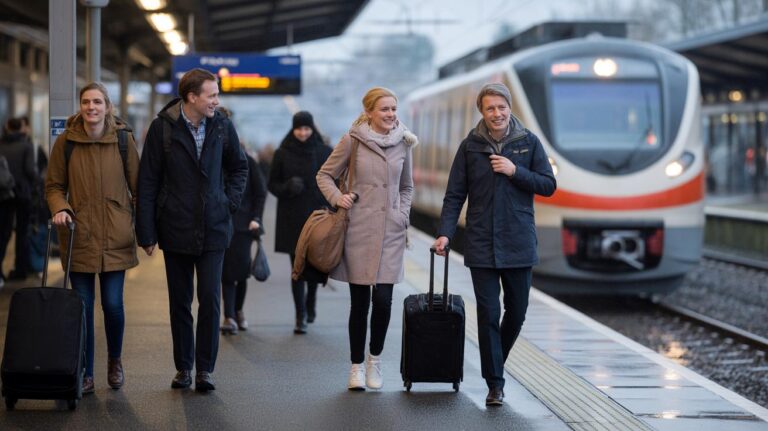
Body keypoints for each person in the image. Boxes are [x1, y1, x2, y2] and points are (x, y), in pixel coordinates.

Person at [432, 83, 556, 406]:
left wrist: (515, 171)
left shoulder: (528, 143)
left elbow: (548, 185)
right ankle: (495, 384)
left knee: (517, 312)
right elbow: (455, 194)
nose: (497, 113)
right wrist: (445, 232)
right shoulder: (470, 147)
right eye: (490, 108)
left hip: (518, 242)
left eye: (502, 107)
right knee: (489, 313)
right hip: (481, 243)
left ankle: (495, 362)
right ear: (482, 112)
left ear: (509, 108)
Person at [136, 68, 248, 392]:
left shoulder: (223, 126)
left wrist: (228, 202)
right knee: (180, 302)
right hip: (175, 226)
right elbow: (148, 181)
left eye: (217, 95)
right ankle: (184, 367)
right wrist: (147, 233)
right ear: (192, 97)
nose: (217, 101)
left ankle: (205, 370)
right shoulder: (162, 129)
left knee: (211, 299)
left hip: (214, 226)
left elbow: (239, 166)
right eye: (211, 95)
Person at [316, 87, 417, 391]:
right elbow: (324, 175)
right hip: (359, 228)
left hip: (391, 231)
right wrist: (339, 198)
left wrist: (402, 214)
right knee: (359, 303)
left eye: (394, 109)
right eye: (384, 109)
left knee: (384, 300)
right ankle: (356, 366)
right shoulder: (353, 141)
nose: (391, 115)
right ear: (370, 112)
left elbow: (407, 187)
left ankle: (375, 359)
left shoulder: (404, 143)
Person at [45, 82, 140, 394]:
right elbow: (54, 185)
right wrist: (61, 208)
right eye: (86, 102)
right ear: (80, 106)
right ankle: (85, 371)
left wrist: (147, 231)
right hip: (79, 234)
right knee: (83, 307)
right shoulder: (66, 142)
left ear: (107, 106)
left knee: (113, 304)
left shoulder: (123, 140)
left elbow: (140, 188)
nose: (91, 107)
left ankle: (115, 360)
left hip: (116, 233)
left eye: (97, 102)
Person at [268, 111, 332, 334]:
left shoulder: (325, 152)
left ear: (313, 129)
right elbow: (272, 184)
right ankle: (300, 316)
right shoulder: (282, 153)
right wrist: (287, 187)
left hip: (318, 218)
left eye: (307, 129)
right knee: (297, 268)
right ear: (293, 129)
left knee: (314, 264)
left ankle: (311, 301)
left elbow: (335, 182)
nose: (303, 133)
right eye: (299, 129)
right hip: (292, 218)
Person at [218, 107, 267, 335]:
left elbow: (260, 192)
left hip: (244, 225)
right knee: (227, 273)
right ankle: (229, 315)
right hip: (219, 223)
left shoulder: (247, 161)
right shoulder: (212, 160)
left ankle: (238, 310)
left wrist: (256, 217)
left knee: (241, 272)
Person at [0, 117, 37, 285]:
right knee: (22, 232)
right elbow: (30, 170)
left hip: (4, 194)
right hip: (23, 194)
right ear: (21, 128)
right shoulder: (26, 146)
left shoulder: (1, 145)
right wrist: (35, 184)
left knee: (3, 233)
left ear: (7, 126)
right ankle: (20, 269)